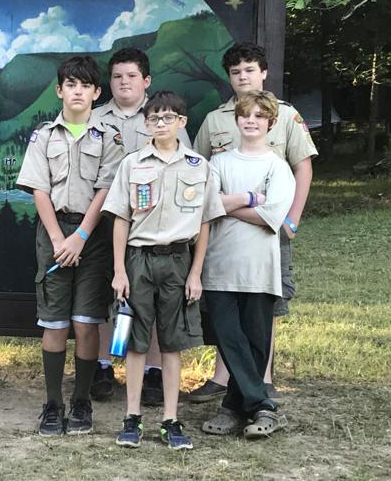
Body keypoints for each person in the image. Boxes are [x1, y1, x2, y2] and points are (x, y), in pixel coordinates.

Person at [190, 42, 317, 402]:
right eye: (235, 72)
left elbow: (302, 165)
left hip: (268, 228)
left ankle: (263, 375)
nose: (243, 76)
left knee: (265, 302)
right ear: (228, 77)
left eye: (249, 69)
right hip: (222, 232)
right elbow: (200, 170)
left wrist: (291, 219)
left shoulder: (285, 115)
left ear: (263, 72)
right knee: (224, 301)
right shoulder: (216, 119)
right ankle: (221, 376)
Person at [102, 91, 223, 450]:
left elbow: (204, 224)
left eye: (168, 118)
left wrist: (196, 273)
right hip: (138, 258)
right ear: (145, 124)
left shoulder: (199, 167)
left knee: (172, 344)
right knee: (137, 343)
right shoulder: (133, 164)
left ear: (182, 123)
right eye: (153, 119)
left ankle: (171, 419)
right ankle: (132, 417)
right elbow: (121, 218)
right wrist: (119, 270)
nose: (160, 124)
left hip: (177, 262)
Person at [16, 55, 124, 437]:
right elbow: (39, 189)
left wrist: (80, 236)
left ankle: (82, 401)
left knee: (87, 320)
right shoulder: (44, 135)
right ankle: (52, 404)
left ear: (97, 92)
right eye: (70, 85)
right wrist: (61, 238)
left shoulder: (110, 136)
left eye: (85, 86)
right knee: (56, 320)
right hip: (53, 232)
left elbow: (106, 188)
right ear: (60, 90)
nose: (77, 92)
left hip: (93, 235)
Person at [91, 49, 191, 404]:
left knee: (147, 301)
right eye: (117, 77)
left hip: (152, 232)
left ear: (146, 80)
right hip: (106, 222)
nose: (124, 83)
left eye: (131, 76)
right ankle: (103, 364)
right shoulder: (96, 118)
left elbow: (186, 175)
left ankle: (152, 371)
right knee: (106, 294)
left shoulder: (164, 118)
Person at [200, 90, 295, 439]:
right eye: (245, 115)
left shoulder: (278, 167)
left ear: (270, 122)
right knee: (227, 337)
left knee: (256, 341)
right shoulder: (220, 163)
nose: (251, 120)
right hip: (220, 267)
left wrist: (229, 205)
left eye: (259, 115)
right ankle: (262, 405)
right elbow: (206, 204)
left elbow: (272, 215)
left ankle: (232, 407)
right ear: (237, 120)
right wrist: (249, 199)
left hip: (260, 270)